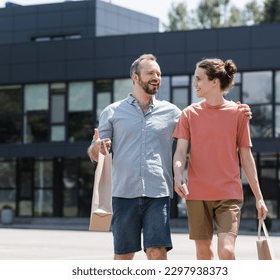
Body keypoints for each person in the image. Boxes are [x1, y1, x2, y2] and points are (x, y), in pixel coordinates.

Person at [87, 54, 252, 260]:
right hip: (124, 193)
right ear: (135, 77)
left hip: (158, 194)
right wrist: (98, 147)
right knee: (123, 256)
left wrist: (238, 111)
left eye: (159, 74)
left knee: (157, 253)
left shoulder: (174, 113)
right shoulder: (112, 112)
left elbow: (206, 118)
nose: (156, 77)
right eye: (150, 73)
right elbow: (96, 152)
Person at [172, 58, 268, 260]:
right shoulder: (189, 114)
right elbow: (181, 152)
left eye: (199, 79)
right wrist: (178, 174)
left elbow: (246, 156)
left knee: (226, 251)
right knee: (204, 253)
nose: (194, 84)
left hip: (229, 193)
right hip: (197, 194)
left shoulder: (239, 113)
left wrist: (259, 197)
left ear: (214, 81)